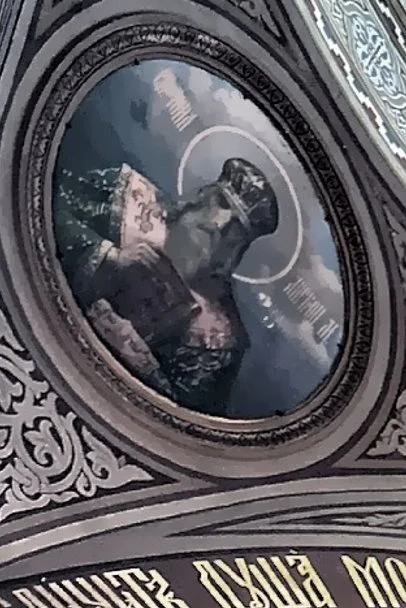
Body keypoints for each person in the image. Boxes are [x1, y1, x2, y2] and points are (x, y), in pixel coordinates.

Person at [52, 153, 281, 414]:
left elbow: (186, 416)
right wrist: (108, 257)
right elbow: (50, 209)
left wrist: (140, 362)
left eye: (234, 228)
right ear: (200, 197)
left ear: (238, 250)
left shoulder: (218, 339)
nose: (219, 223)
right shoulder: (128, 197)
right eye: (220, 202)